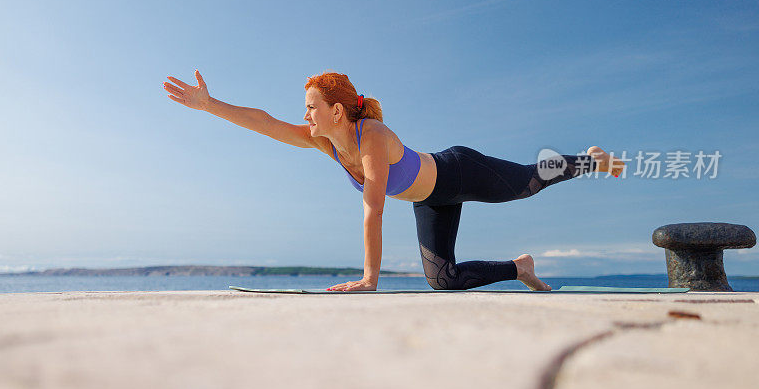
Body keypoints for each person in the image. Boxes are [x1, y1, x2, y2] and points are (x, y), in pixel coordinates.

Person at [163, 70, 624, 292]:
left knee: (527, 182)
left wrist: (369, 278)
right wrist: (211, 105)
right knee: (442, 280)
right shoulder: (325, 141)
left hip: (459, 169)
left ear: (337, 111)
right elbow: (264, 122)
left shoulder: (373, 137)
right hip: (431, 200)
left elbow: (375, 207)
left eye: (311, 107)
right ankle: (519, 268)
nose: (304, 115)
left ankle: (589, 161)